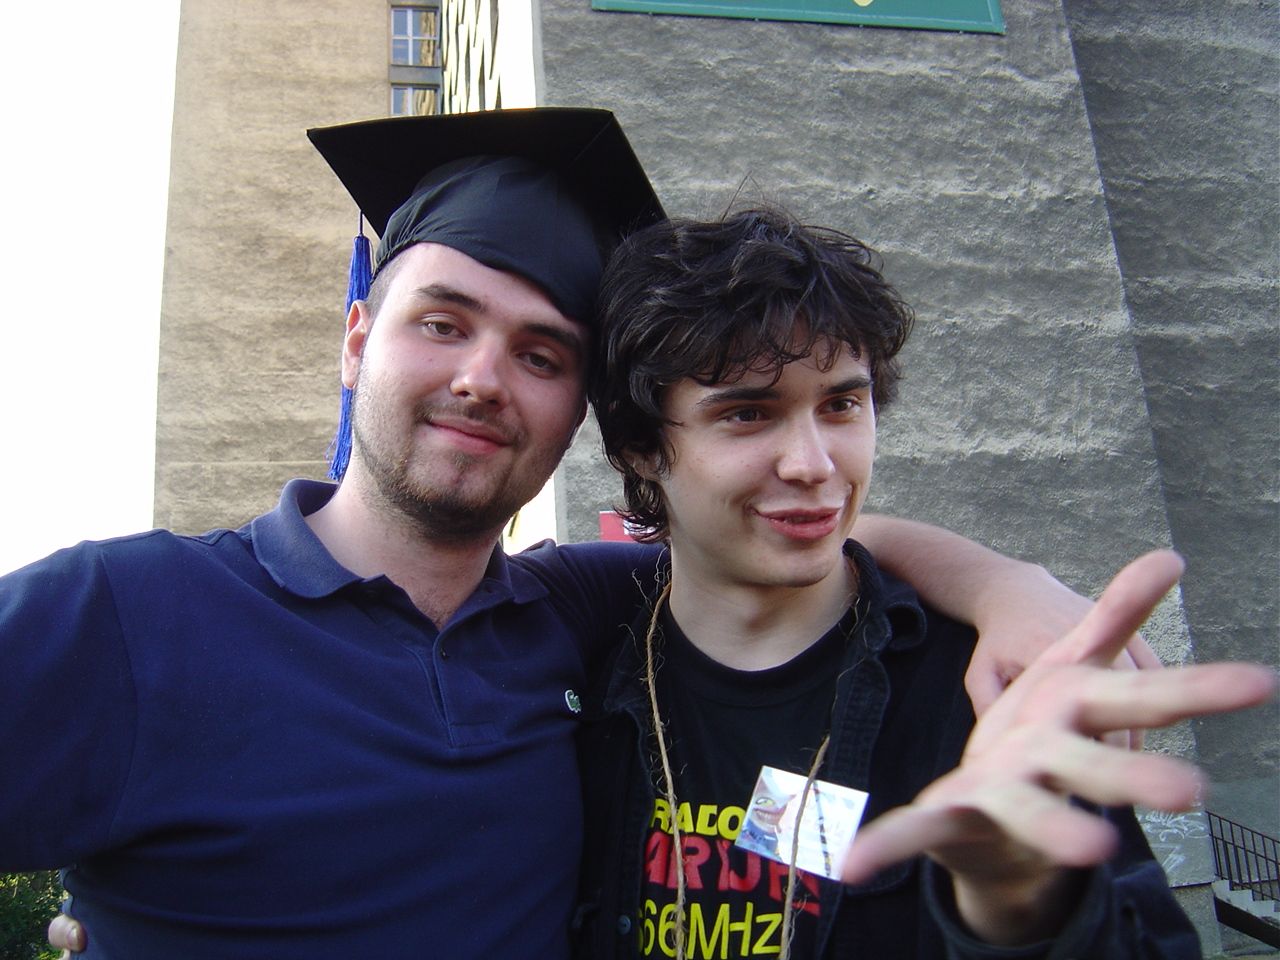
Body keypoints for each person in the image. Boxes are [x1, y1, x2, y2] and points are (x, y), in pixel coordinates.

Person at [12, 109, 1139, 959]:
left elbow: (768, 529)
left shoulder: (577, 612)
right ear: (357, 341)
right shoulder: (126, 617)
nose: (481, 378)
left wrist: (1002, 584)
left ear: (585, 415)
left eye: (541, 354)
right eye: (441, 323)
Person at [569, 209, 1275, 959]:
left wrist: (1022, 907)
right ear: (640, 447)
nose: (814, 464)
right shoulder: (580, 672)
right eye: (748, 413)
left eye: (841, 405)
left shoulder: (981, 693)